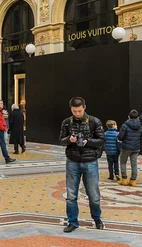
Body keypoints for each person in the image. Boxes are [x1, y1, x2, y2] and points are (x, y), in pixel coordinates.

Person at [59, 97, 105, 233]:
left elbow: (102, 140)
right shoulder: (67, 123)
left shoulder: (94, 121)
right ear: (71, 109)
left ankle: (97, 218)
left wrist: (87, 141)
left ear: (84, 107)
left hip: (90, 162)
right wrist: (69, 139)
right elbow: (61, 140)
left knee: (94, 195)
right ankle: (72, 222)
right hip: (72, 162)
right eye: (74, 111)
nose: (77, 113)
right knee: (71, 195)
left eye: (79, 111)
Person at [118, 109, 142, 186]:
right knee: (134, 164)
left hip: (126, 147)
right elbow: (141, 135)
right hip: (136, 147)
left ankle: (124, 179)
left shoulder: (125, 125)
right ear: (137, 117)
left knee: (123, 162)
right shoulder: (140, 126)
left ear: (128, 116)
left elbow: (120, 137)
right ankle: (133, 180)